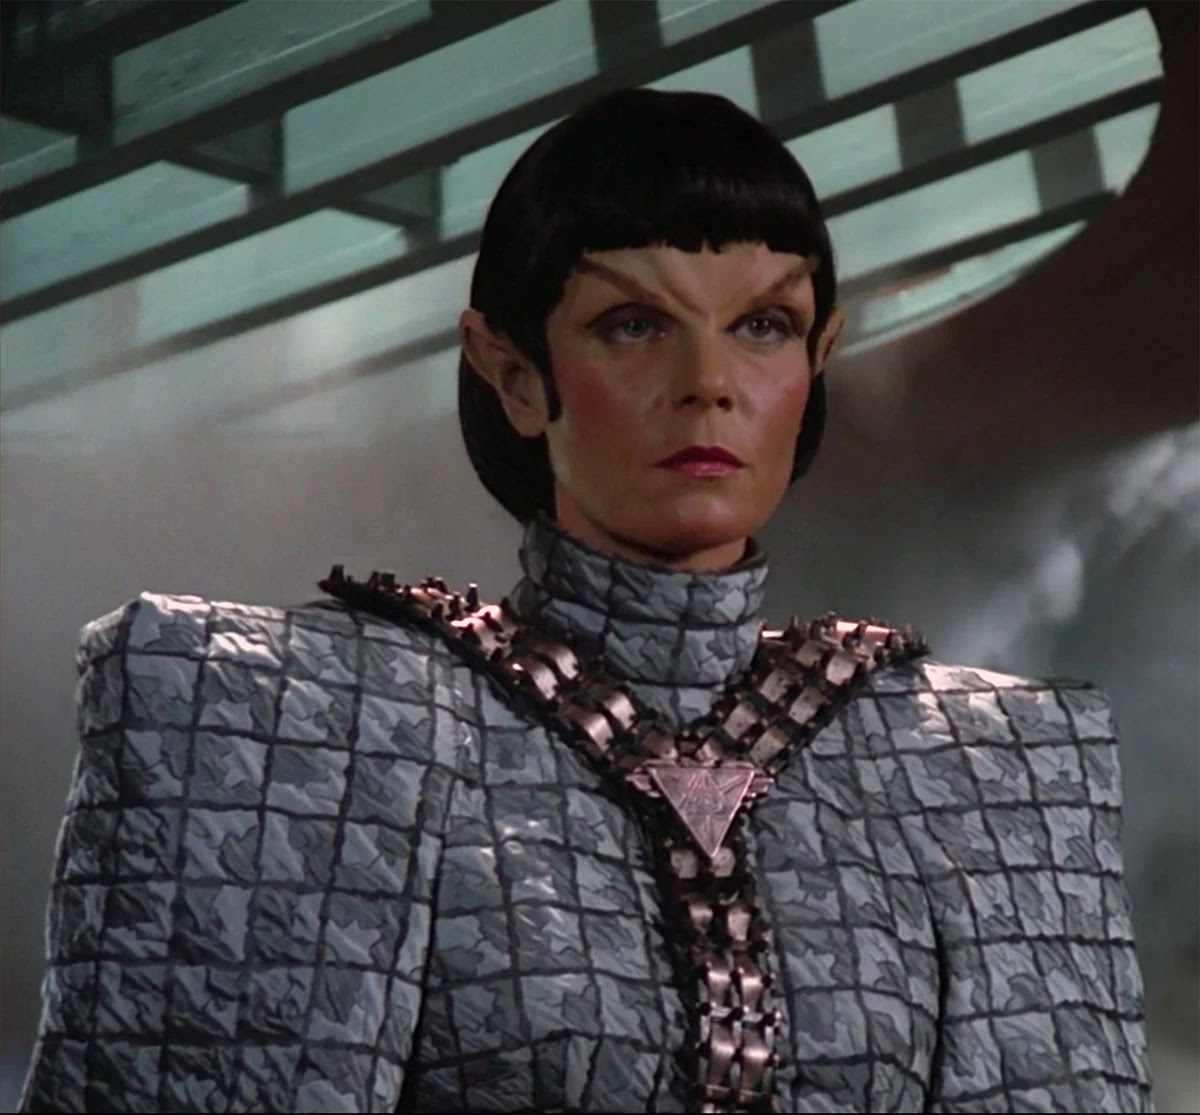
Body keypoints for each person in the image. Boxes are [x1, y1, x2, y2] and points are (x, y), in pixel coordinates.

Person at [21, 88, 1152, 1114]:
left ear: (819, 355)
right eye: (634, 324)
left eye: (761, 324)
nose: (708, 383)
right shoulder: (296, 709)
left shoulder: (984, 762)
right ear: (515, 374)